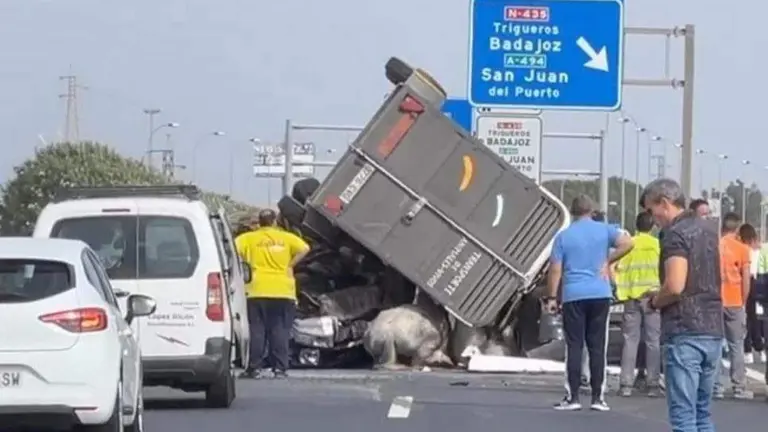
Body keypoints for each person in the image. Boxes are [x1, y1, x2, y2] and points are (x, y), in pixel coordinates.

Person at [641, 178, 723, 431]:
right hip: (712, 328)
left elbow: (676, 285)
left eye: (650, 210)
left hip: (684, 330)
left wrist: (655, 300)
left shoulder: (675, 234)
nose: (651, 218)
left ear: (664, 203)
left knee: (684, 416)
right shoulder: (709, 230)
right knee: (702, 414)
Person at [544, 195, 634, 412]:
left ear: (573, 212)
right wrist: (608, 261)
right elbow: (628, 243)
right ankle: (597, 398)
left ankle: (573, 397)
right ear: (592, 210)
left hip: (574, 295)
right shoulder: (605, 230)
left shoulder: (564, 237)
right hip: (600, 293)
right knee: (597, 347)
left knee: (574, 346)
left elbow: (555, 269)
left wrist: (552, 297)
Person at [236, 208, 310, 379]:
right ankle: (280, 369)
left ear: (259, 223)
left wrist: (245, 263)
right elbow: (305, 248)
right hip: (283, 291)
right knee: (280, 330)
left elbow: (232, 250)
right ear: (275, 222)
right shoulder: (286, 238)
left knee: (257, 330)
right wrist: (290, 265)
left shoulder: (248, 238)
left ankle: (254, 368)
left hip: (256, 290)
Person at [615, 212, 663, 397]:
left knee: (630, 340)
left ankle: (625, 384)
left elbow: (618, 268)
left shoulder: (629, 244)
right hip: (652, 298)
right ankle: (653, 384)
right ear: (652, 227)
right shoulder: (657, 246)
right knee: (653, 341)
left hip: (631, 297)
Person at [713, 212, 753, 399]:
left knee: (715, 344)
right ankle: (739, 387)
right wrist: (743, 301)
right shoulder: (742, 249)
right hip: (735, 300)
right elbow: (745, 280)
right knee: (736, 344)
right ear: (737, 228)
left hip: (714, 300)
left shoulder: (714, 247)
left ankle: (716, 386)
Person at [739, 223, 766, 365]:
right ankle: (761, 349)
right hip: (760, 284)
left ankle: (748, 350)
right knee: (757, 319)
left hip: (747, 283)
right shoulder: (759, 251)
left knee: (747, 319)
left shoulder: (743, 250)